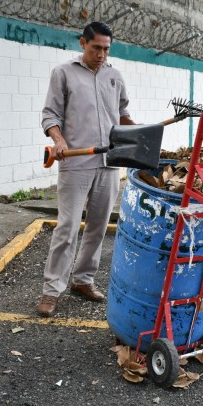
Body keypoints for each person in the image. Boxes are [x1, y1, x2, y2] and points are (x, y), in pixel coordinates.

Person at [38, 22, 136, 317]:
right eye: (96, 48)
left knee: (97, 227)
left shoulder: (114, 76)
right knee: (67, 228)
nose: (102, 54)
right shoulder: (63, 73)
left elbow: (122, 115)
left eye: (106, 49)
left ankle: (83, 281)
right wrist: (59, 140)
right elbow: (50, 115)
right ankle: (51, 290)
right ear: (83, 43)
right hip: (76, 163)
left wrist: (143, 132)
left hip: (109, 164)